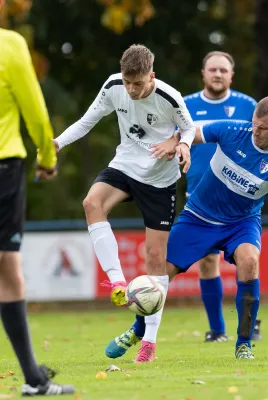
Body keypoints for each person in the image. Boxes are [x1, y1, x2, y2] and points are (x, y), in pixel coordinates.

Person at [104, 51, 262, 360]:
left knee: (248, 261)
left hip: (239, 206)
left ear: (232, 75)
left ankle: (243, 335)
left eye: (223, 70)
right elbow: (171, 133)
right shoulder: (183, 102)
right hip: (199, 200)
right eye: (212, 69)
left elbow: (261, 145)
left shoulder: (248, 106)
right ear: (203, 73)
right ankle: (212, 330)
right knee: (195, 264)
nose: (217, 74)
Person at [147, 96, 268, 359]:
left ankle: (243, 343)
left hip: (241, 222)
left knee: (250, 261)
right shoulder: (233, 130)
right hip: (199, 215)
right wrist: (176, 143)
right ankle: (137, 331)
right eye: (254, 124)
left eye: (263, 128)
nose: (256, 131)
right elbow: (192, 132)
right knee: (163, 274)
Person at [54, 44, 196, 363]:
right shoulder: (113, 86)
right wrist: (58, 143)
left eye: (138, 83)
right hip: (126, 165)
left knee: (156, 257)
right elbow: (87, 121)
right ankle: (118, 281)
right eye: (127, 82)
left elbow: (189, 128)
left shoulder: (169, 97)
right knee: (92, 203)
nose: (131, 89)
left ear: (152, 76)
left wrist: (182, 145)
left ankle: (149, 342)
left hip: (160, 179)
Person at [0, 12, 75, 396]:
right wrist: (46, 158)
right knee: (8, 267)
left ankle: (33, 377)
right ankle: (33, 377)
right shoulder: (9, 44)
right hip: (3, 169)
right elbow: (35, 112)